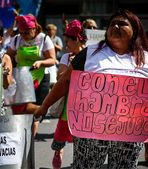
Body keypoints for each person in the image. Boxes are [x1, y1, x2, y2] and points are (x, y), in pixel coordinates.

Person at [35, 9, 148, 168]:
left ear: (135, 30)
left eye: (122, 23)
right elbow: (65, 81)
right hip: (91, 133)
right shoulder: (90, 53)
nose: (115, 26)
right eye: (112, 24)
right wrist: (44, 106)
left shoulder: (146, 59)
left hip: (128, 135)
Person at [6, 14, 56, 136]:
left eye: (27, 33)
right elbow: (8, 56)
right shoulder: (17, 39)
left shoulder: (44, 39)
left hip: (41, 77)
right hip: (21, 78)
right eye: (22, 33)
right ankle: (22, 135)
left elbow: (52, 60)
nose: (24, 36)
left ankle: (30, 139)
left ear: (34, 28)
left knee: (37, 110)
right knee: (22, 109)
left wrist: (40, 62)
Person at [50, 19, 87, 169]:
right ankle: (58, 151)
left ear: (77, 39)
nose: (66, 45)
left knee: (81, 139)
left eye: (68, 42)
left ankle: (77, 163)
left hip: (85, 105)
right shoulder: (66, 57)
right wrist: (71, 67)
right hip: (69, 103)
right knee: (61, 134)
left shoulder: (90, 55)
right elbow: (60, 78)